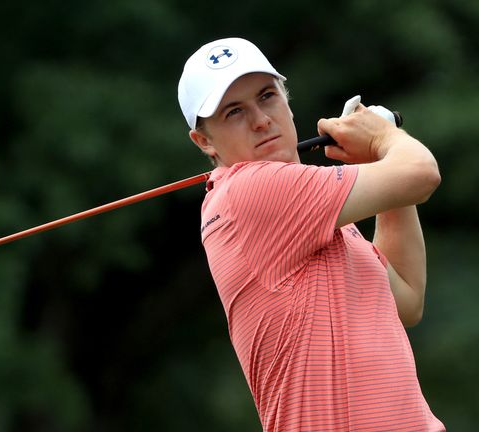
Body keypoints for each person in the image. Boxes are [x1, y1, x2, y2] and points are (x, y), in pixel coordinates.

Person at [177, 37, 445, 431]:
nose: (260, 119)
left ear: (286, 100)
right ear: (204, 142)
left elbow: (406, 298)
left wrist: (377, 159)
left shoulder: (321, 215)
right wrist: (384, 138)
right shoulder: (249, 191)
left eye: (267, 96)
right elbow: (421, 174)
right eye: (234, 112)